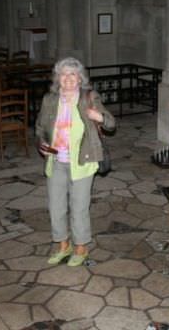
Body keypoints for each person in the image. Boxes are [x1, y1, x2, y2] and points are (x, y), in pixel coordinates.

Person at [35, 57, 115, 266]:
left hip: (82, 162)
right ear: (57, 78)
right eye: (64, 74)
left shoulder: (89, 97)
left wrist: (99, 117)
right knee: (56, 206)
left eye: (73, 74)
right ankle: (63, 246)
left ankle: (81, 247)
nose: (68, 78)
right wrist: (42, 142)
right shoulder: (49, 100)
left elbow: (111, 123)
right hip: (56, 160)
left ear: (80, 79)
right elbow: (40, 127)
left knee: (79, 207)